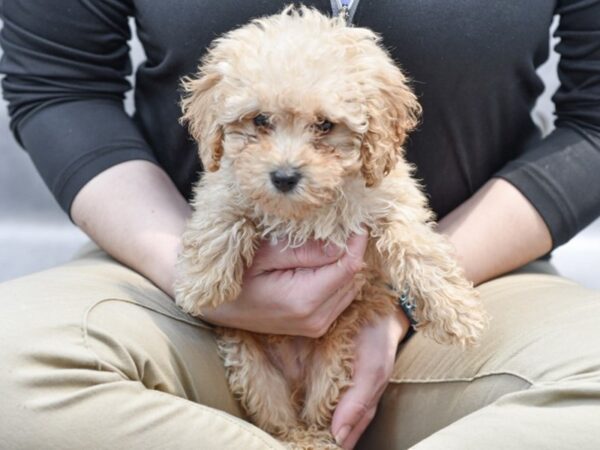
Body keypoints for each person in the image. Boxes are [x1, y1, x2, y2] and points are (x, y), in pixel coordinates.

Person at [1, 1, 599, 448]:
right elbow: (60, 83)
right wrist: (184, 271)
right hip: (171, 287)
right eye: (259, 123)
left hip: (482, 281)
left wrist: (401, 302)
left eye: (320, 129)